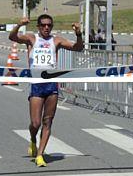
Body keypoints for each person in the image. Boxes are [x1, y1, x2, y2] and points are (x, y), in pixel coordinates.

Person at [9, 14, 83, 167]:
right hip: (36, 84)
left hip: (51, 85)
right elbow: (13, 37)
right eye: (43, 25)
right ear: (38, 26)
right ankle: (33, 139)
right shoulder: (31, 38)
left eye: (49, 25)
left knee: (47, 121)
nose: (46, 28)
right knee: (35, 123)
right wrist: (19, 24)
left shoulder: (56, 40)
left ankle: (40, 155)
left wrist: (79, 34)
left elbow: (78, 48)